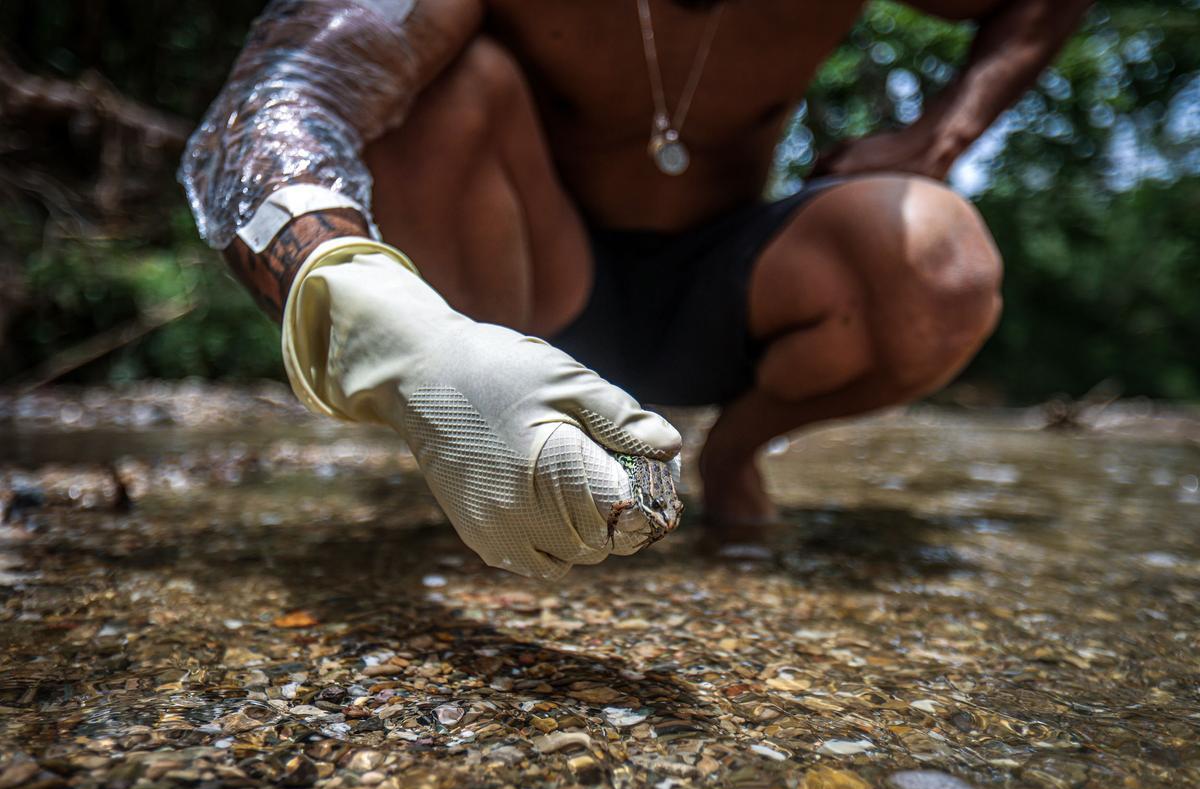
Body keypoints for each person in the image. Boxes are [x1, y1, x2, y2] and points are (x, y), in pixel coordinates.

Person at [179, 0, 1091, 579]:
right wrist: (393, 334)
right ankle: (482, 428)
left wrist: (941, 134)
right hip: (529, 284)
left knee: (940, 256)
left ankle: (729, 456)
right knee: (450, 87)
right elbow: (271, 110)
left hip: (723, 290)